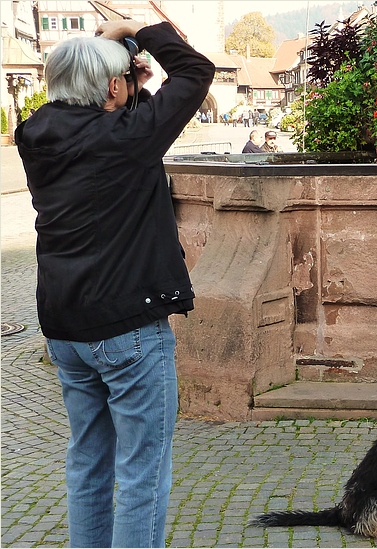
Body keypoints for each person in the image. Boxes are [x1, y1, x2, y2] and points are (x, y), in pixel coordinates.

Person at [15, 19, 214, 547]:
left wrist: (125, 75)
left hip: (65, 327)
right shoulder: (126, 138)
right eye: (123, 80)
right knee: (141, 473)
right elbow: (195, 72)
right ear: (110, 87)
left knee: (87, 461)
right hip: (127, 327)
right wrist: (139, 29)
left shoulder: (35, 134)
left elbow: (97, 114)